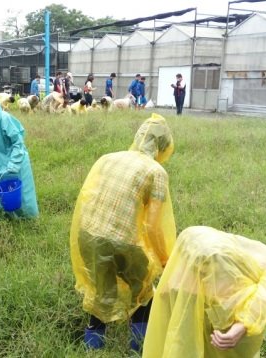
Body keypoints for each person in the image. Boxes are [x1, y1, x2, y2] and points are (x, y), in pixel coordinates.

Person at [70, 114, 176, 352]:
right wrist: (164, 258)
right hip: (123, 243)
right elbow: (152, 226)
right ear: (162, 145)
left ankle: (93, 349)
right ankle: (137, 349)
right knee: (143, 296)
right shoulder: (156, 172)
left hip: (88, 236)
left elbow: (89, 198)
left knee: (100, 293)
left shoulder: (109, 158)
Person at [143, 226, 266, 358]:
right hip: (203, 259)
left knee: (184, 340)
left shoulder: (260, 259)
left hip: (190, 251)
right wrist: (240, 328)